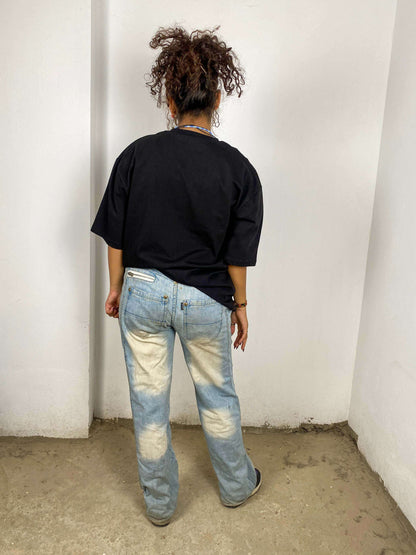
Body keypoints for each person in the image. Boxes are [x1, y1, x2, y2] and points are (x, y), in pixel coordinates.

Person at [90, 25, 264, 527]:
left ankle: (161, 505)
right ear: (217, 100)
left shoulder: (136, 155)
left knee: (148, 405)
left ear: (170, 99)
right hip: (208, 299)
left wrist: (117, 287)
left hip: (142, 293)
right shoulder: (240, 169)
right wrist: (241, 306)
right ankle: (237, 486)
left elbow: (115, 235)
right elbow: (237, 254)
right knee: (218, 398)